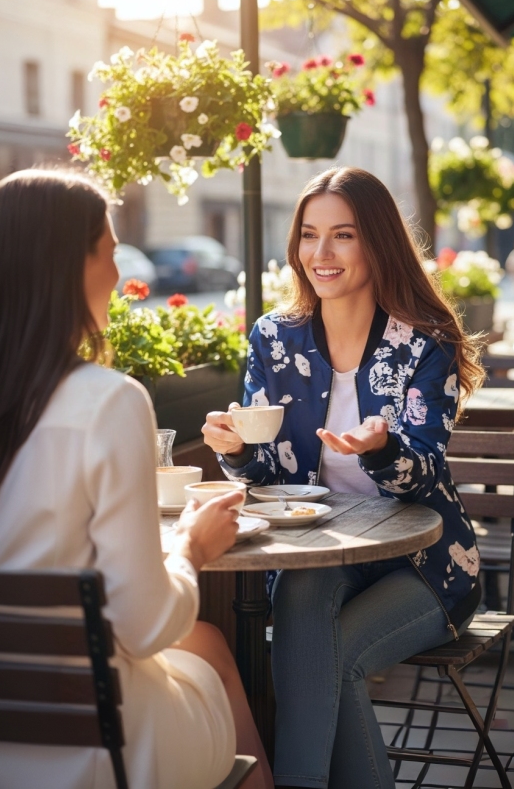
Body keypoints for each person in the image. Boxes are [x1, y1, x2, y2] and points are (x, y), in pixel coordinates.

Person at [202, 167, 485, 789]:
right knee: (304, 612)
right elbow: (266, 473)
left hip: (425, 560)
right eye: (309, 235)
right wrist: (236, 451)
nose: (320, 254)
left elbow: (425, 471)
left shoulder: (422, 344)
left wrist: (382, 449)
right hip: (322, 555)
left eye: (343, 236)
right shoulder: (275, 339)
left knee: (335, 659)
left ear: (377, 241)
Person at [0, 170, 273, 789]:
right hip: (104, 751)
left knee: (203, 645)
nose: (119, 276)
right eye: (110, 252)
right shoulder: (106, 402)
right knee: (213, 666)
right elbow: (145, 626)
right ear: (72, 266)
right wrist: (192, 548)